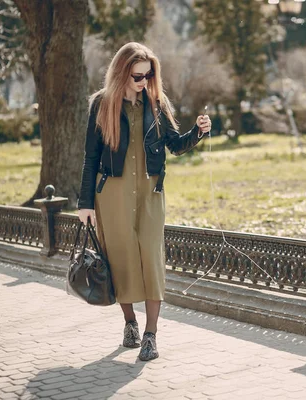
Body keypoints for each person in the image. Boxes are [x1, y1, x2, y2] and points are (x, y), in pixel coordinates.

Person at [77, 42, 211, 362]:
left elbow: (175, 145)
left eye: (148, 75)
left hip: (151, 193)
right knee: (121, 261)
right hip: (112, 194)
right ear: (122, 72)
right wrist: (85, 203)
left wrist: (198, 131)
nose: (143, 81)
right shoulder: (101, 105)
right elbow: (91, 157)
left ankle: (151, 335)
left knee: (151, 260)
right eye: (137, 76)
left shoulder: (156, 103)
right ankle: (130, 324)